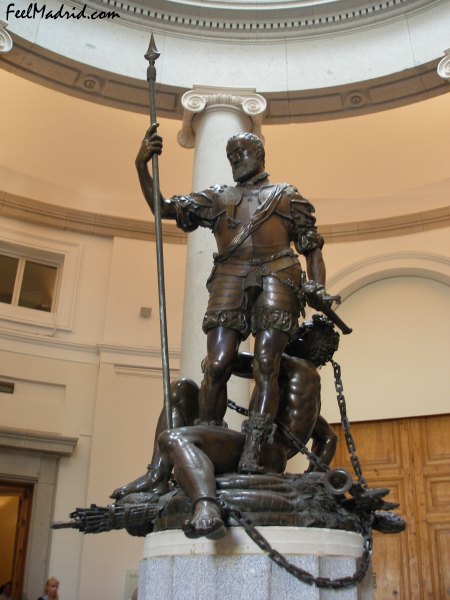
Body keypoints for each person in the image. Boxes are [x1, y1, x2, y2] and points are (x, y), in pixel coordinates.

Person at [136, 125, 332, 473]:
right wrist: (142, 165)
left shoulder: (286, 196)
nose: (236, 159)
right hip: (230, 274)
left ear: (260, 155)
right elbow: (163, 208)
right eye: (231, 155)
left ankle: (253, 452)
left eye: (242, 152)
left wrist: (317, 285)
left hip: (278, 274)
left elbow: (311, 247)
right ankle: (208, 443)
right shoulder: (217, 197)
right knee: (217, 363)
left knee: (267, 363)